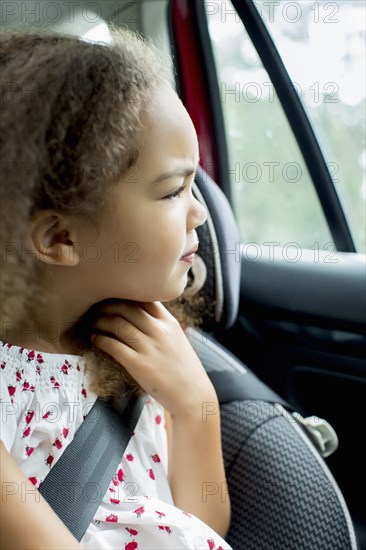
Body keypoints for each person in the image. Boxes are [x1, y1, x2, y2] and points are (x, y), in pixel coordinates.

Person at [0, 25, 232, 550]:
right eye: (174, 190)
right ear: (61, 237)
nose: (200, 212)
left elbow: (201, 526)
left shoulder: (141, 345)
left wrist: (195, 405)